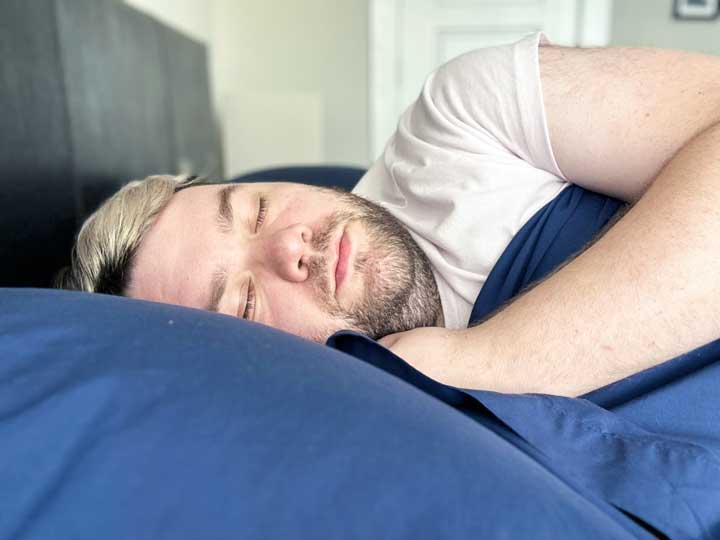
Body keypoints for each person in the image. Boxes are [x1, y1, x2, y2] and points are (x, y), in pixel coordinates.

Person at [57, 33, 720, 397]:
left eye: (255, 208)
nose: (292, 242)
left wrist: (491, 361)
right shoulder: (349, 422)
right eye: (245, 302)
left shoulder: (464, 121)